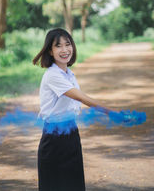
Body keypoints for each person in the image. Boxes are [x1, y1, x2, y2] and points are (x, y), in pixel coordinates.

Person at [33, 28, 115, 191]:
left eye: (67, 44)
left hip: (71, 134)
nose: (64, 50)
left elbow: (72, 106)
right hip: (54, 138)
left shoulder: (69, 74)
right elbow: (82, 98)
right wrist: (113, 113)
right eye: (58, 46)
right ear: (50, 50)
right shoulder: (53, 75)